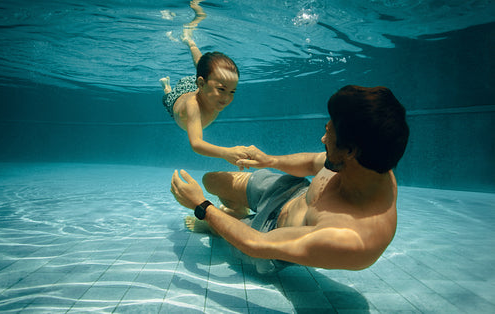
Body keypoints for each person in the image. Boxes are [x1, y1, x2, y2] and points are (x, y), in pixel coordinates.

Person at [171, 85, 410, 274]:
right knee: (211, 180)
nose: (322, 138)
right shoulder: (369, 158)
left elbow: (256, 244)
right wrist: (270, 161)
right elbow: (311, 163)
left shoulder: (353, 238)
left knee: (219, 225)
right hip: (289, 192)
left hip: (267, 234)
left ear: (350, 151)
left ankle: (229, 219)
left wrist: (201, 206)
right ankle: (232, 213)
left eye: (329, 134)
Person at [160, 0, 249, 167]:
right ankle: (166, 86)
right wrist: (226, 153)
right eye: (222, 89)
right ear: (201, 84)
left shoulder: (207, 89)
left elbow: (204, 72)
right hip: (178, 99)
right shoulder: (193, 106)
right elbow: (196, 144)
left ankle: (190, 41)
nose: (227, 97)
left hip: (193, 87)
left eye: (232, 92)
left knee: (203, 67)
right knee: (168, 99)